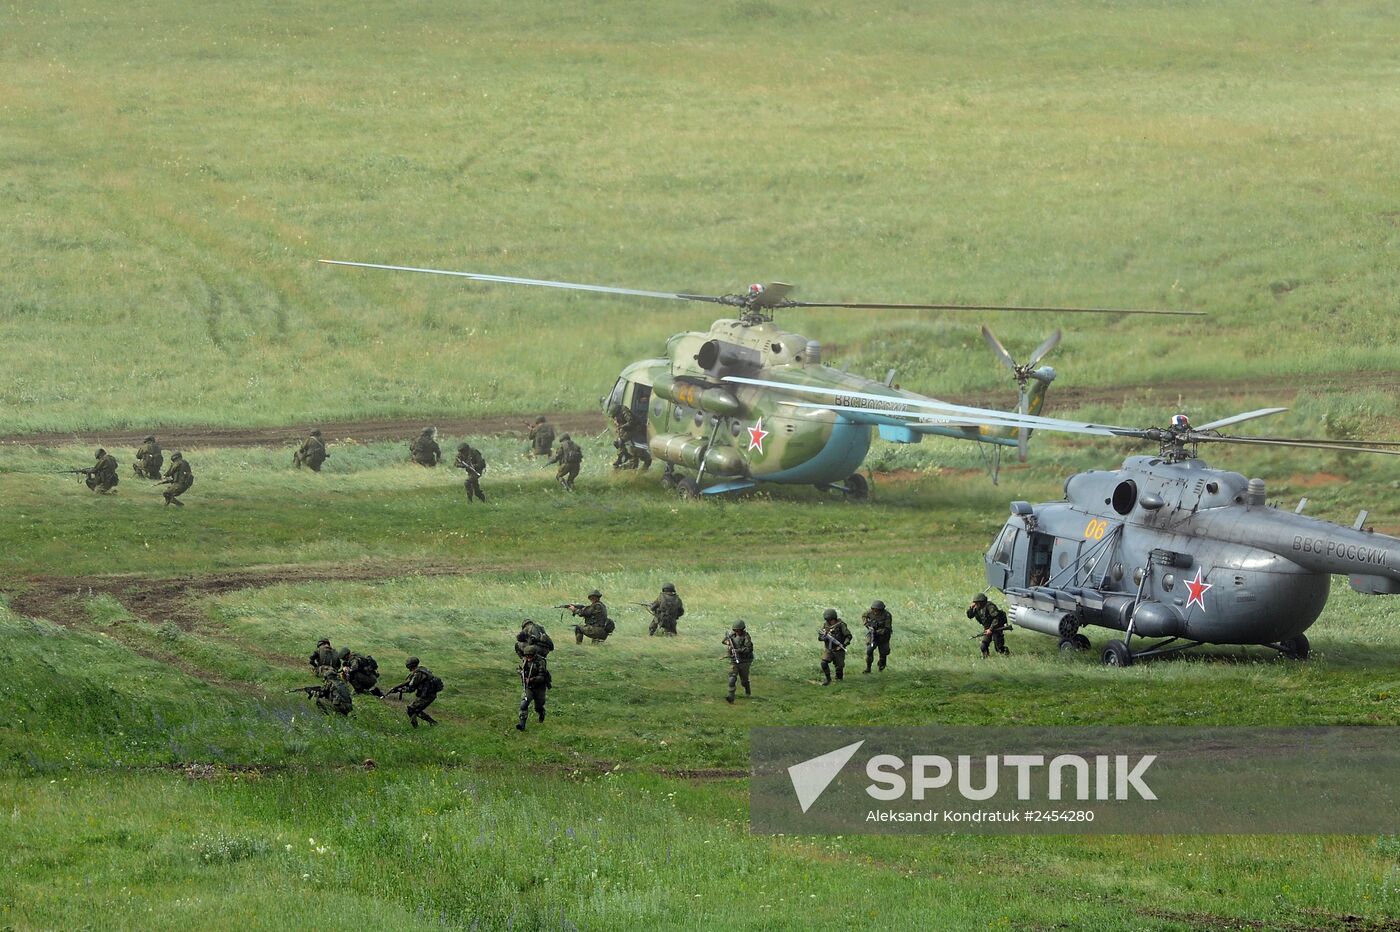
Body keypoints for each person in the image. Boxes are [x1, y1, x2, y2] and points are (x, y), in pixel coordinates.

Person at [384, 657, 441, 727]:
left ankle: (416, 727)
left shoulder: (417, 674)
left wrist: (400, 690)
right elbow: (408, 682)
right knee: (416, 710)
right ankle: (433, 723)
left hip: (426, 696)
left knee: (411, 710)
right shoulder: (422, 669)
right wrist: (397, 688)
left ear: (410, 666)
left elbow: (411, 688)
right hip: (429, 695)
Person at [516, 644, 551, 731]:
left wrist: (531, 679)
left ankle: (541, 713)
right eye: (527, 655)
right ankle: (522, 725)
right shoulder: (524, 660)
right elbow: (521, 670)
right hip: (529, 688)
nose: (528, 657)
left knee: (538, 706)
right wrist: (520, 672)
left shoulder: (541, 662)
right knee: (524, 704)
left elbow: (541, 677)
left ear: (534, 654)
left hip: (539, 688)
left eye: (530, 655)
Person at [817, 608, 853, 685]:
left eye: (830, 620)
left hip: (839, 649)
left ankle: (839, 679)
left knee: (839, 668)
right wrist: (825, 636)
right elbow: (820, 637)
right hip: (829, 649)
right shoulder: (825, 625)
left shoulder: (841, 625)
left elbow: (848, 636)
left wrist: (844, 644)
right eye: (828, 620)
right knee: (824, 663)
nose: (829, 622)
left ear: (834, 618)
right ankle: (828, 679)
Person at [968, 593, 1011, 658]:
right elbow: (970, 616)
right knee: (983, 646)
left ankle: (1007, 655)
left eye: (977, 603)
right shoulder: (977, 608)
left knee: (998, 647)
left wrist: (991, 629)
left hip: (996, 627)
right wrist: (971, 608)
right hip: (987, 628)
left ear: (981, 602)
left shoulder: (990, 606)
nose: (976, 604)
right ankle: (986, 658)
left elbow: (996, 618)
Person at [722, 620, 754, 703]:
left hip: (744, 661)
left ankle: (747, 689)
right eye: (735, 630)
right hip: (734, 660)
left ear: (742, 629)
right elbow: (724, 641)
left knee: (744, 680)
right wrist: (728, 642)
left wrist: (738, 650)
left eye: (738, 630)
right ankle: (731, 697)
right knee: (732, 678)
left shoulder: (746, 637)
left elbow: (749, 649)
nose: (736, 632)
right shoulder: (732, 635)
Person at [862, 600, 893, 673]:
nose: (875, 612)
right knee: (869, 650)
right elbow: (864, 616)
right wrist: (867, 625)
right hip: (872, 634)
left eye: (877, 610)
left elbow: (887, 628)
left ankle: (881, 668)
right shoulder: (869, 612)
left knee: (883, 653)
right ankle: (868, 668)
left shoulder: (887, 615)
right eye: (874, 610)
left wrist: (877, 631)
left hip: (883, 636)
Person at [609, 404, 639, 469]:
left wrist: (622, 426)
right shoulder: (619, 413)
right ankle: (622, 456)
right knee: (616, 442)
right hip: (628, 429)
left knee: (620, 441)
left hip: (635, 428)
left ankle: (625, 456)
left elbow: (631, 422)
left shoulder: (625, 412)